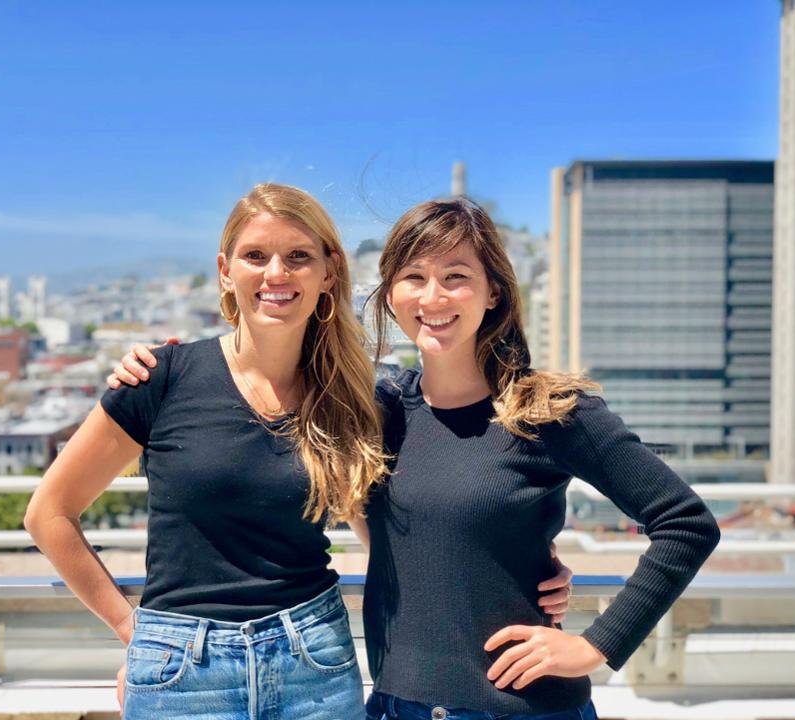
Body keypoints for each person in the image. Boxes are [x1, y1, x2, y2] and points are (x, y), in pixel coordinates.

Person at [113, 196, 716, 720]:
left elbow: (685, 523)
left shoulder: (549, 411)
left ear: (493, 293)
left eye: (457, 276)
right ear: (391, 295)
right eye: (414, 277)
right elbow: (265, 391)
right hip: (394, 705)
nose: (434, 297)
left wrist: (595, 645)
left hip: (523, 710)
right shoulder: (375, 406)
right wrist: (167, 368)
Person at [25, 183, 391, 720]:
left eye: (298, 257)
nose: (276, 273)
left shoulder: (348, 396)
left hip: (314, 660)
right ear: (225, 270)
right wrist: (138, 635)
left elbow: (389, 537)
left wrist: (527, 558)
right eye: (255, 256)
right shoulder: (160, 378)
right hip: (181, 673)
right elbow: (48, 514)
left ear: (328, 272)